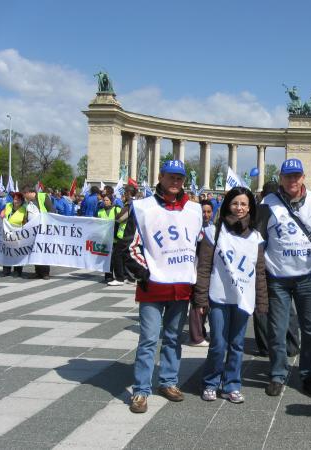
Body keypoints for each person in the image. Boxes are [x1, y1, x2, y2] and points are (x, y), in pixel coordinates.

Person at [124, 160, 203, 414]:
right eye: (171, 177)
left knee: (173, 338)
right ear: (161, 177)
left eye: (179, 178)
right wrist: (144, 273)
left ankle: (168, 381)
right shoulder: (143, 207)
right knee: (148, 339)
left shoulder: (194, 209)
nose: (175, 182)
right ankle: (141, 389)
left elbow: (200, 246)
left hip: (181, 286)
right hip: (153, 286)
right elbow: (130, 245)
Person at [262, 158, 311, 398]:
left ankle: (308, 375)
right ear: (281, 178)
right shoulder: (267, 202)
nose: (292, 180)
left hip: (308, 274)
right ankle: (277, 374)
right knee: (277, 329)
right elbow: (259, 237)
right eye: (288, 176)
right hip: (278, 276)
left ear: (303, 177)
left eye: (296, 176)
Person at [195, 187, 267, 403]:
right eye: (235, 203)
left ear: (250, 208)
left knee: (237, 344)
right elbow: (204, 268)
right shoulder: (213, 232)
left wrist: (262, 302)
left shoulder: (256, 237)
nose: (239, 208)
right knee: (218, 343)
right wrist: (200, 298)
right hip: (218, 296)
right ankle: (211, 382)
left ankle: (232, 384)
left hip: (243, 298)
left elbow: (260, 272)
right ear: (228, 205)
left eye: (244, 204)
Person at [253, 181, 301, 358]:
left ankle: (266, 345)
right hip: (282, 265)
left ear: (263, 195)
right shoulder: (284, 209)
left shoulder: (261, 210)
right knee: (286, 307)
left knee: (261, 306)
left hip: (263, 264)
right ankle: (292, 344)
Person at [186, 199, 214, 347]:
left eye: (209, 212)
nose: (206, 215)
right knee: (198, 303)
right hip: (197, 269)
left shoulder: (213, 228)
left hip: (207, 270)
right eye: (203, 212)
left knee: (204, 303)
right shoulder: (194, 229)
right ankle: (196, 337)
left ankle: (200, 332)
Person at [22, 185, 55, 280]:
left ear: (29, 192)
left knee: (43, 251)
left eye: (25, 194)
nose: (24, 196)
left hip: (43, 230)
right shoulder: (28, 202)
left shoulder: (43, 196)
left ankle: (45, 273)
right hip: (32, 231)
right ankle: (37, 272)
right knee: (35, 251)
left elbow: (51, 211)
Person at [108, 186, 137, 286]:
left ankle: (119, 278)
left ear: (128, 193)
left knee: (117, 254)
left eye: (125, 192)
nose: (123, 194)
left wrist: (116, 216)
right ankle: (131, 278)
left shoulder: (130, 204)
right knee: (127, 255)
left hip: (126, 233)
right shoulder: (136, 203)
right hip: (131, 233)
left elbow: (121, 218)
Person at [0, 192, 26, 277]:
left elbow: (25, 222)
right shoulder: (8, 205)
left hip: (18, 233)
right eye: (15, 199)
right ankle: (6, 270)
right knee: (7, 252)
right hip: (7, 232)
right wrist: (2, 212)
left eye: (19, 200)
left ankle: (17, 271)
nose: (16, 201)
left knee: (17, 252)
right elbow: (3, 212)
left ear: (22, 201)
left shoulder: (24, 209)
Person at [97, 194, 121, 283]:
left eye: (107, 200)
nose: (105, 202)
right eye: (104, 200)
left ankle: (118, 276)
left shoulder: (117, 210)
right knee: (107, 258)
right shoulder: (100, 212)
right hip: (105, 238)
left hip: (115, 238)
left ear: (111, 201)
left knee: (115, 258)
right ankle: (108, 276)